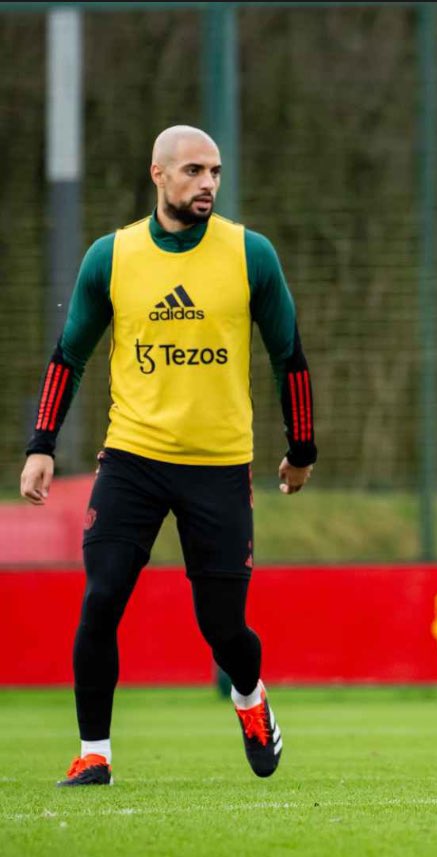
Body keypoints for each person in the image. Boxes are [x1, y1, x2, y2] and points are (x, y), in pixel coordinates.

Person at [19, 125, 317, 786]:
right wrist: (41, 445)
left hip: (218, 466)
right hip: (133, 460)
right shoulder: (112, 256)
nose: (207, 182)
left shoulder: (250, 254)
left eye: (214, 170)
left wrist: (301, 451)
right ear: (158, 174)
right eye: (192, 171)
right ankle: (94, 751)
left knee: (223, 627)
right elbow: (69, 355)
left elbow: (288, 358)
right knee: (101, 601)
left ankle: (250, 697)